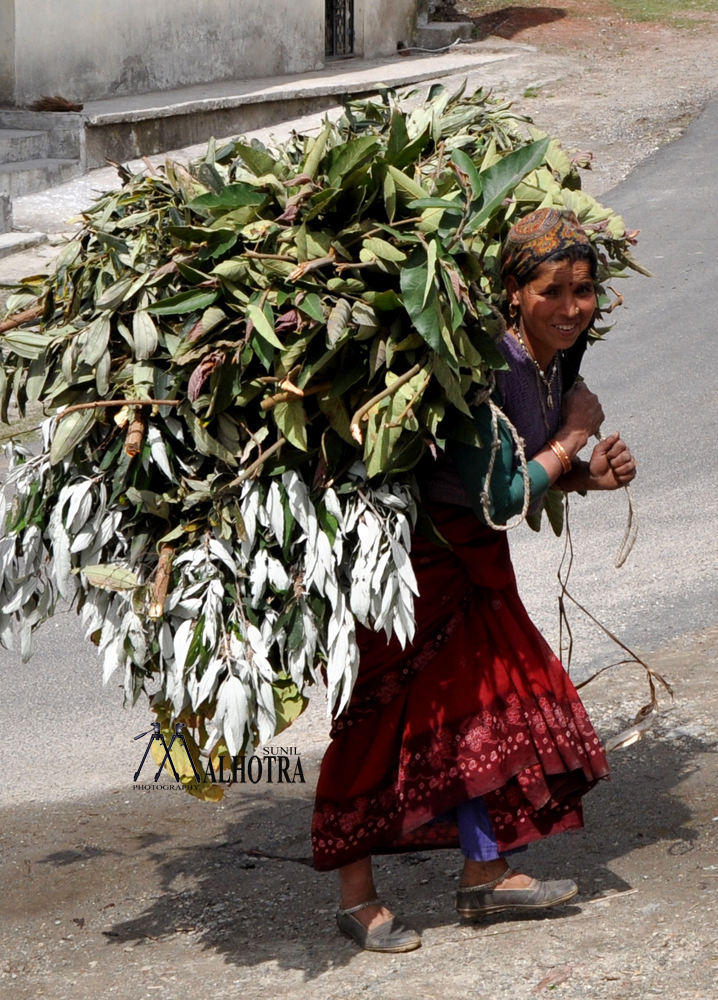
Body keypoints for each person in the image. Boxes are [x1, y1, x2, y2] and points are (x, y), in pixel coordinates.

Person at [312, 208, 637, 952]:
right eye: (551, 291)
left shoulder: (555, 363)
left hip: (469, 565)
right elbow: (498, 496)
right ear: (512, 293)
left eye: (582, 290)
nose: (569, 308)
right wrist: (572, 441)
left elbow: (511, 477)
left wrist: (584, 476)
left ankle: (485, 875)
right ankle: (355, 897)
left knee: (492, 710)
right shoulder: (483, 367)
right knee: (378, 718)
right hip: (409, 567)